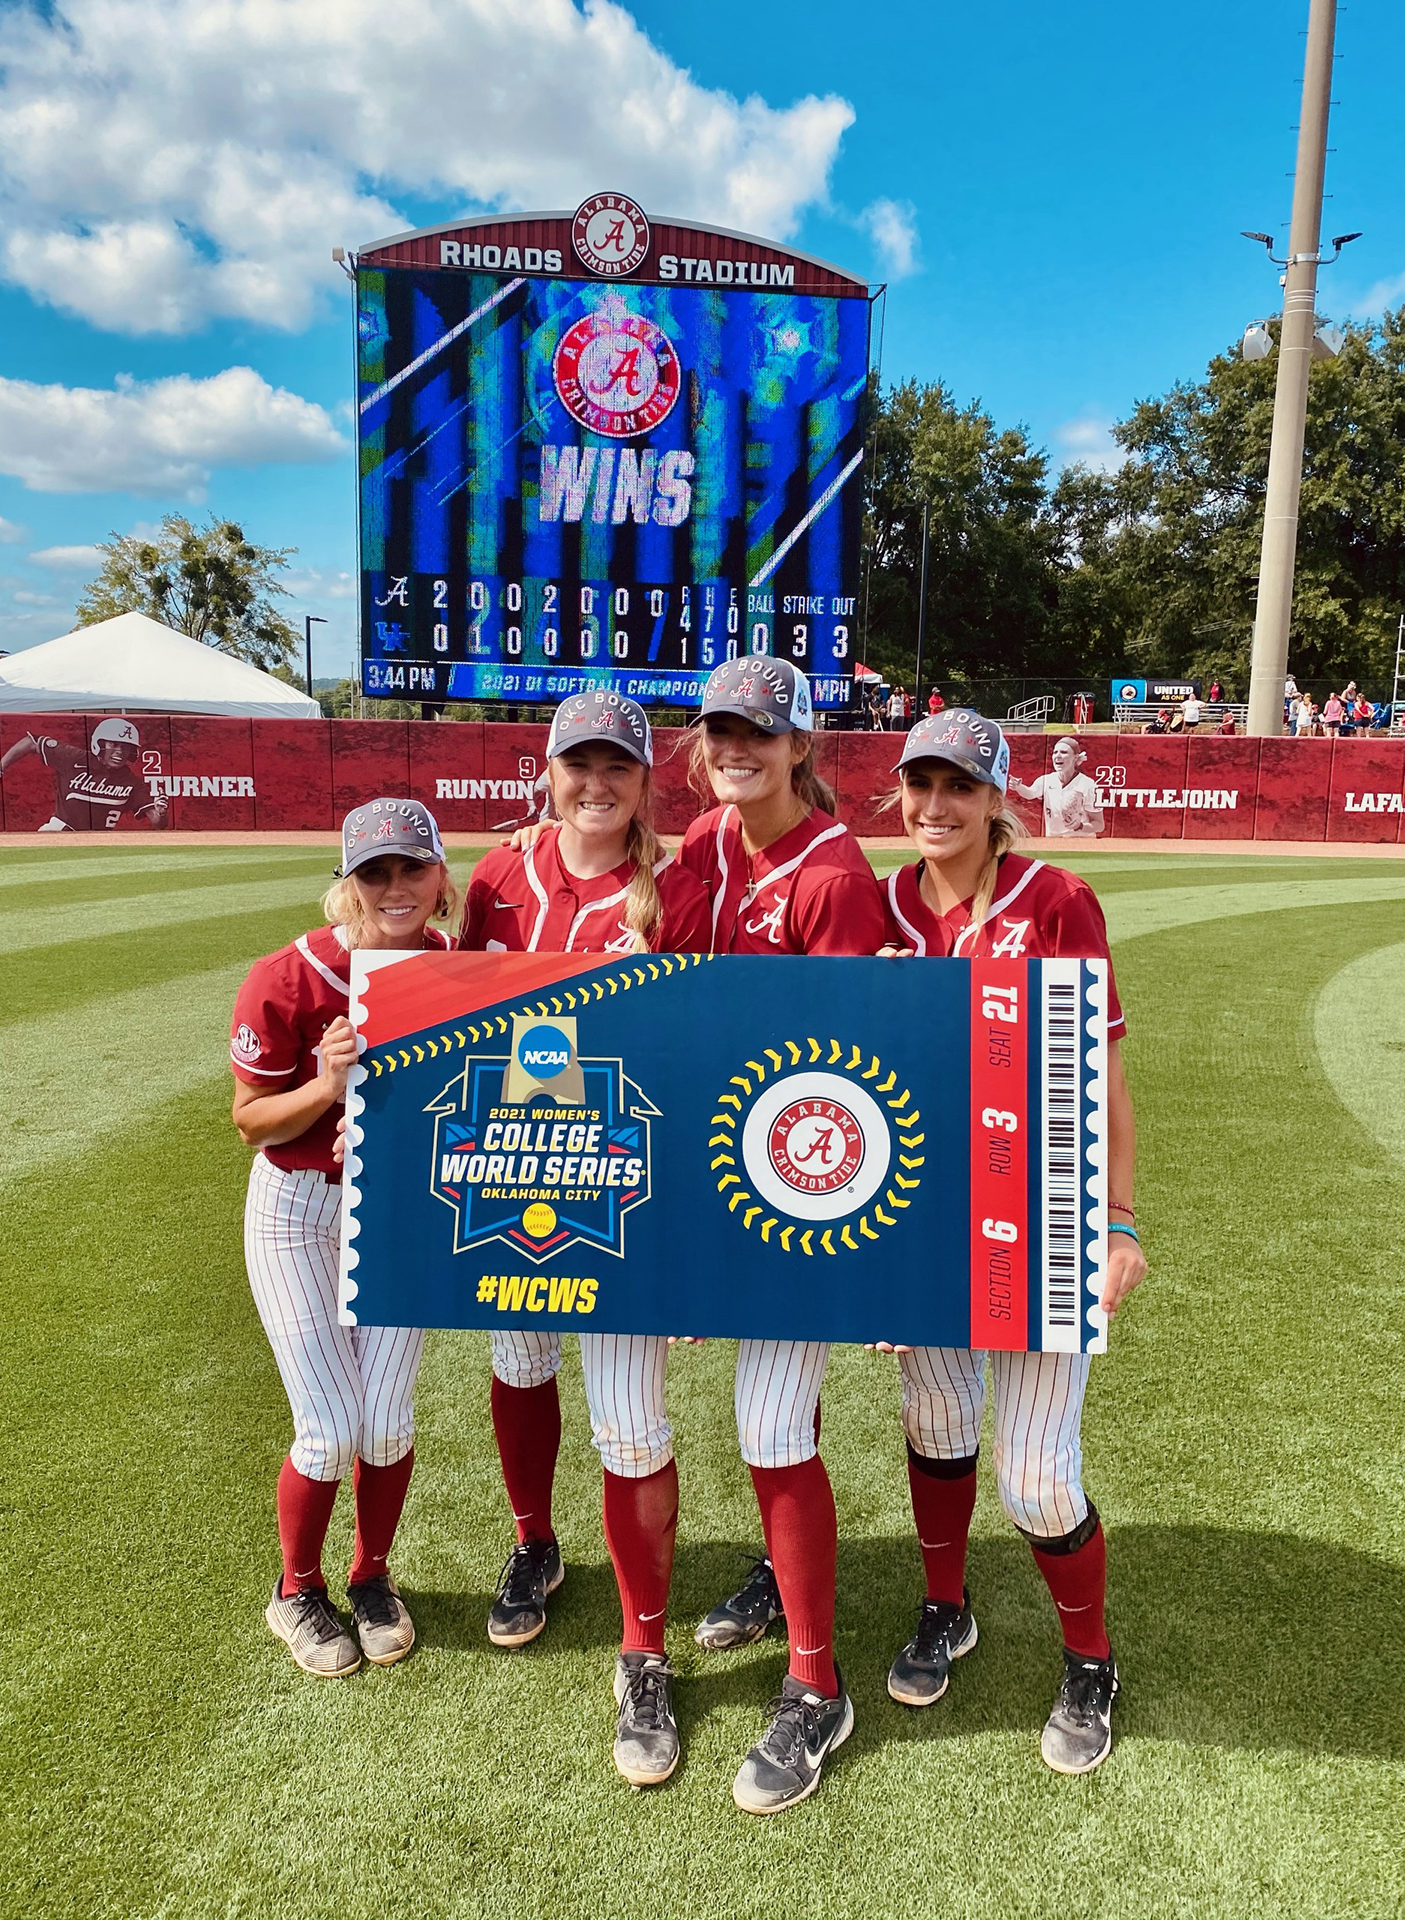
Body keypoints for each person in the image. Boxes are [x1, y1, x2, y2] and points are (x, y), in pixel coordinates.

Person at [877, 711, 1146, 1775]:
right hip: (917, 1210)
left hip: (1042, 1206)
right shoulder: (882, 901)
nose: (936, 807)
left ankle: (1091, 1659)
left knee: (1036, 1480)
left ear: (997, 798)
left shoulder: (1057, 899)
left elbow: (1108, 1074)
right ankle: (947, 1605)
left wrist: (1119, 1221)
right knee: (935, 1419)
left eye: (959, 787)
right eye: (920, 785)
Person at [460, 691, 711, 1790]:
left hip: (629, 1186)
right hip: (517, 1173)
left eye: (616, 764)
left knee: (631, 1424)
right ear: (547, 770)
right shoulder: (498, 877)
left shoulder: (681, 880)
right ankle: (534, 1542)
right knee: (518, 1364)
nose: (595, 782)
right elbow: (453, 1011)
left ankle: (644, 1647)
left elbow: (709, 1046)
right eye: (577, 763)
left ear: (647, 775)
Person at [678, 656, 886, 1814]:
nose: (733, 750)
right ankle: (778, 1570)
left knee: (767, 1423)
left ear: (802, 744)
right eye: (719, 732)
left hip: (794, 1180)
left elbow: (842, 1069)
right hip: (720, 1166)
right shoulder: (709, 841)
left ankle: (818, 1685)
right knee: (769, 1418)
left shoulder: (833, 873)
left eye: (757, 734)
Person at [230, 799, 455, 1678]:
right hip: (297, 1209)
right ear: (347, 885)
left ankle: (370, 1577)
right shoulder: (287, 978)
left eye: (412, 868)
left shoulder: (451, 965)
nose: (394, 887)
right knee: (327, 1429)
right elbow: (250, 1121)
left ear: (441, 878)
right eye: (375, 872)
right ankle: (294, 1591)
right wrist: (327, 1087)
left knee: (388, 1421)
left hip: (399, 1209)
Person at [0, 717, 167, 830]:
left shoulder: (133, 782)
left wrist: (162, 812)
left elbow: (158, 822)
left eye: (126, 747)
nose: (119, 751)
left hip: (100, 843)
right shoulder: (75, 758)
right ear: (99, 744)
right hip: (60, 831)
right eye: (114, 744)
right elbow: (31, 742)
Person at [1008, 735, 1104, 838]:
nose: (1057, 756)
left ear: (1075, 757)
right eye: (1055, 752)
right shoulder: (1046, 780)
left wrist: (1080, 826)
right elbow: (1030, 793)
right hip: (1053, 842)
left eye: (1063, 752)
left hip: (1081, 842)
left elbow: (1099, 825)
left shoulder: (1087, 784)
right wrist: (1018, 787)